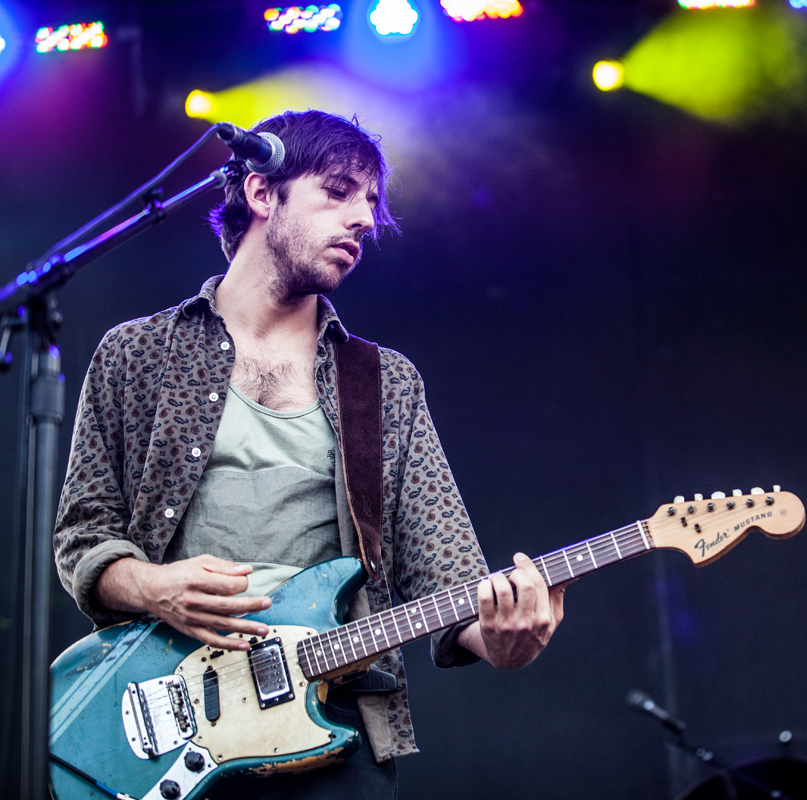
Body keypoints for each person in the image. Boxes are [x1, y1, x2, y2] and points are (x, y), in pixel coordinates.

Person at [52, 109, 566, 797]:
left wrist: (504, 636)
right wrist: (153, 587)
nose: (363, 219)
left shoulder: (384, 382)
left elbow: (447, 576)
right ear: (263, 193)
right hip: (161, 720)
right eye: (338, 190)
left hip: (329, 721)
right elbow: (83, 533)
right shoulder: (137, 353)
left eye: (371, 203)